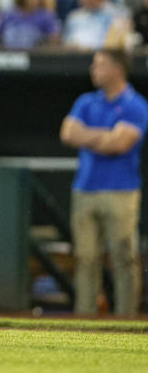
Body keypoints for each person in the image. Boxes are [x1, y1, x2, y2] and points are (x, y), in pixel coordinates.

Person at [59, 49, 147, 315]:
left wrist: (86, 135)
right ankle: (84, 320)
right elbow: (67, 133)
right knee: (86, 259)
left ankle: (126, 319)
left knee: (123, 258)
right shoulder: (86, 101)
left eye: (100, 65)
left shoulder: (135, 104)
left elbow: (120, 143)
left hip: (121, 191)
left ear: (117, 69)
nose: (93, 70)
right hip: (85, 188)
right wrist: (104, 137)